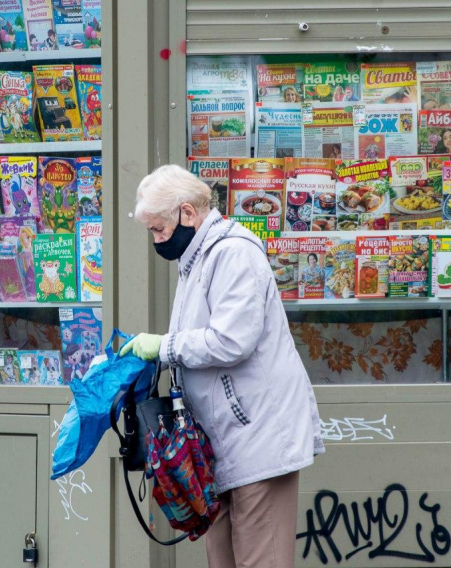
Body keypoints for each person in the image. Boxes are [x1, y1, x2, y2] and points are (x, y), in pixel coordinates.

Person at [120, 164, 323, 568]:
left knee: (259, 559)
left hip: (258, 438)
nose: (157, 240)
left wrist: (165, 346)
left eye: (159, 229)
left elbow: (231, 340)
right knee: (223, 558)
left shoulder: (233, 253)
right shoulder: (197, 258)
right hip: (225, 441)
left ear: (188, 213)